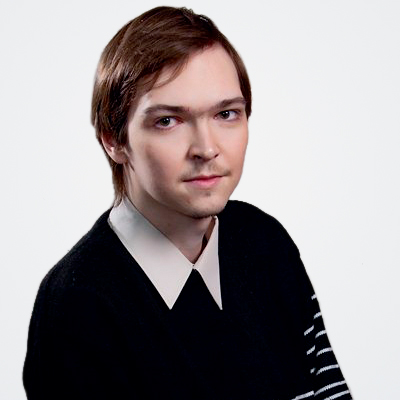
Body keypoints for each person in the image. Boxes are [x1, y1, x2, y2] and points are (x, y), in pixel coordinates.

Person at [23, 6, 352, 400]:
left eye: (226, 114)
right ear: (114, 139)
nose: (206, 148)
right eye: (168, 121)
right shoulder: (77, 305)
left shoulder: (265, 242)